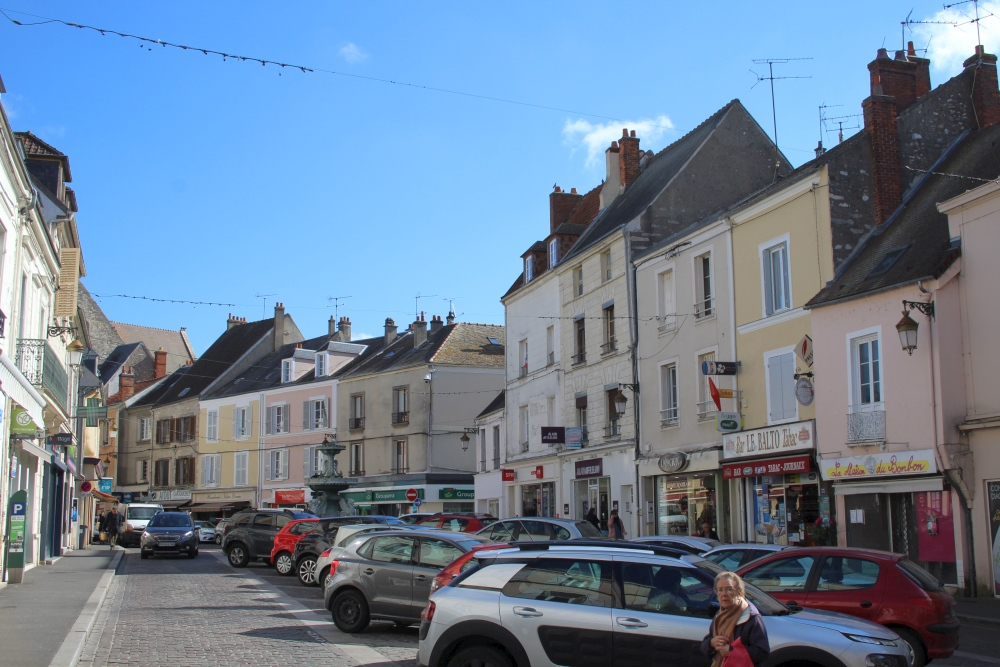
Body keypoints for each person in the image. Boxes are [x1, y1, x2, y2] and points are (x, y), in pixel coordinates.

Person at [701, 572, 769, 667]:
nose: (724, 594)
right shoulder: (720, 615)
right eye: (720, 590)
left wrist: (732, 651)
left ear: (739, 591)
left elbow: (762, 652)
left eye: (729, 589)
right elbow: (706, 644)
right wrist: (711, 643)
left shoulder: (751, 617)